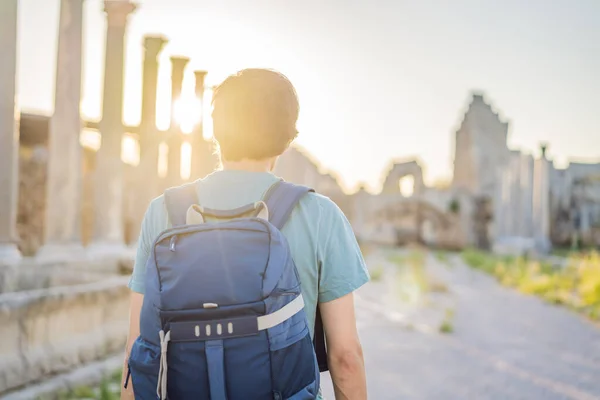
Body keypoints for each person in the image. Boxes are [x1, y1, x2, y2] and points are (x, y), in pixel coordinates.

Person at [121, 68, 369, 400]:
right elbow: (345, 357)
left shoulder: (163, 211)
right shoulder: (320, 215)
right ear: (288, 137)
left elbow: (139, 345)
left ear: (217, 132)